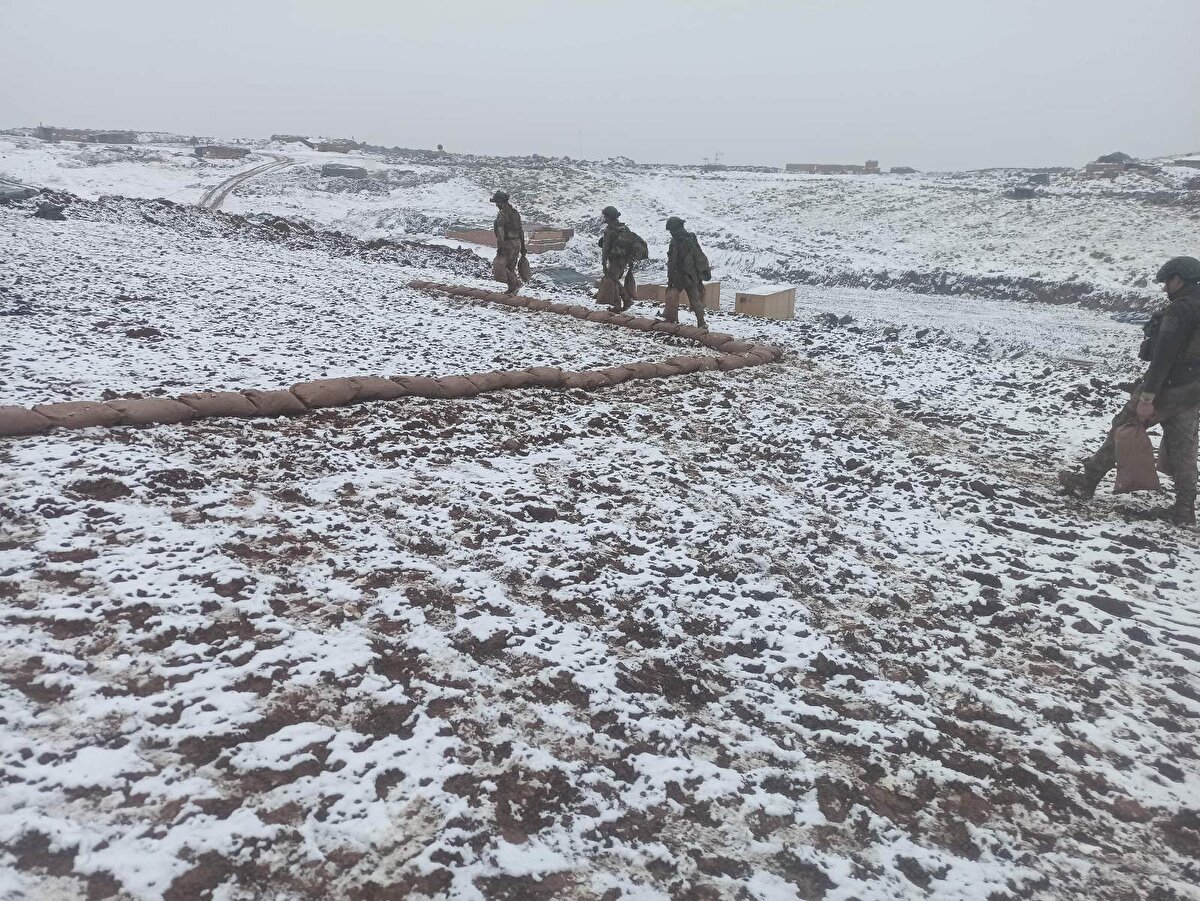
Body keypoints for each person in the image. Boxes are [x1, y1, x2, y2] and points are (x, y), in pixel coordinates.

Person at [1059, 256, 1200, 525]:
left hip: (1167, 387)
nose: (1164, 288)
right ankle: (1184, 509)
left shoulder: (1180, 310)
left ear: (1178, 279)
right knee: (1185, 449)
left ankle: (1085, 482)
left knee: (1123, 428)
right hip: (1193, 391)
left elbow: (1163, 357)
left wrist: (1147, 397)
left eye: (1166, 282)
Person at [664, 216, 712, 329]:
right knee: (695, 299)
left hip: (680, 275)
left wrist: (672, 276)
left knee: (672, 296)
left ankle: (671, 320)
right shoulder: (690, 238)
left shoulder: (678, 241)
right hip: (691, 275)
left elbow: (674, 261)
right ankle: (702, 322)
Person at [599, 206, 636, 311]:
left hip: (615, 259)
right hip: (624, 259)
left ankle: (619, 303)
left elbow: (605, 249)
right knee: (614, 279)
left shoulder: (609, 230)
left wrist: (603, 263)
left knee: (612, 279)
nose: (604, 218)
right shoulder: (624, 228)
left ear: (609, 217)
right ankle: (626, 300)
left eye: (605, 216)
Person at [491, 191, 527, 295]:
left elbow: (500, 231)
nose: (496, 205)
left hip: (507, 244)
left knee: (503, 266)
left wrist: (500, 247)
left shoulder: (502, 214)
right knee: (511, 267)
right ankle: (512, 289)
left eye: (497, 202)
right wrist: (523, 247)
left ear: (500, 202)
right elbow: (521, 230)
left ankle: (515, 284)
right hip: (517, 242)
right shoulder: (515, 213)